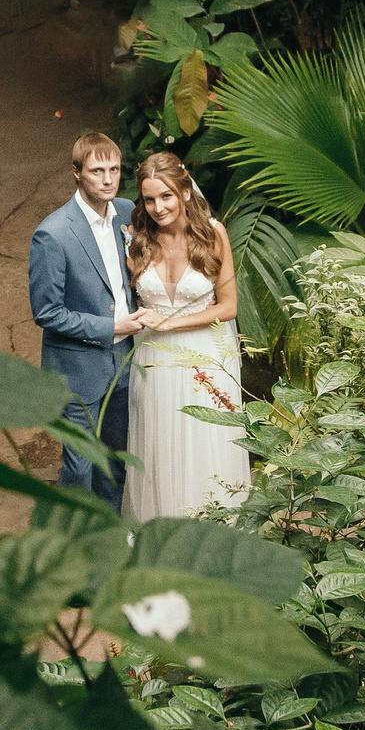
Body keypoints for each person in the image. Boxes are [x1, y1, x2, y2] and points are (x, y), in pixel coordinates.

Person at [121, 152, 250, 519]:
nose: (158, 207)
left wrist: (168, 324)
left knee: (205, 442)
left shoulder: (212, 234)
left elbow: (228, 307)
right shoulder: (138, 239)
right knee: (160, 444)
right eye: (149, 199)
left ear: (185, 192)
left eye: (166, 196)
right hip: (154, 361)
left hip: (205, 355)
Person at [28, 132, 141, 506]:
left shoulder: (127, 212)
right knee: (78, 467)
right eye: (97, 171)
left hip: (124, 363)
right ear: (77, 173)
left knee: (113, 459)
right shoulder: (53, 234)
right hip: (77, 370)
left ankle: (106, 536)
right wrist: (111, 328)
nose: (108, 179)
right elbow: (46, 312)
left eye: (114, 169)